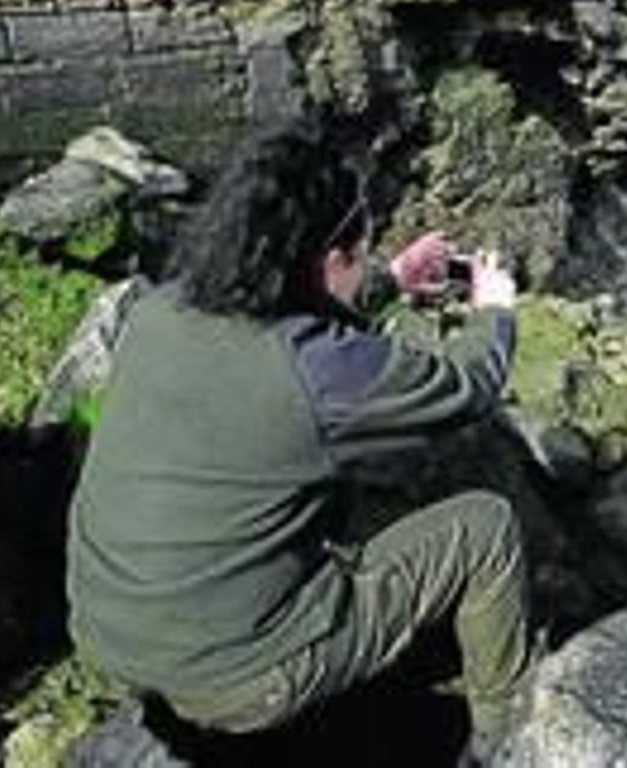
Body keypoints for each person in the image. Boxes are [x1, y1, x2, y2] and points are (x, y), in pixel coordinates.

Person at [65, 126, 528, 760]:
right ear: (330, 259)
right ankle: (507, 738)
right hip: (238, 683)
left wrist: (390, 280)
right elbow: (468, 386)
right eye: (360, 252)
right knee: (486, 529)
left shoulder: (160, 310)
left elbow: (282, 312)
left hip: (106, 636)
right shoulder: (320, 371)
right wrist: (495, 312)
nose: (365, 261)